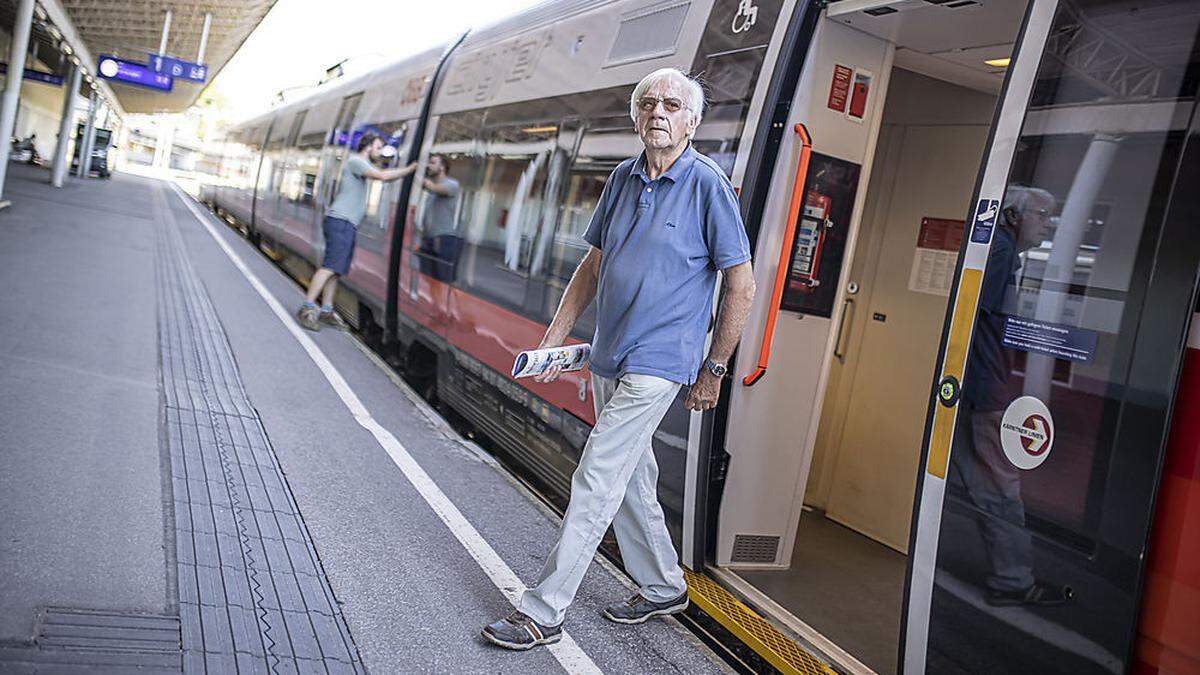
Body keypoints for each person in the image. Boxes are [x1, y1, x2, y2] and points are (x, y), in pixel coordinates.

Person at [482, 67, 757, 650]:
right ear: (636, 116)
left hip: (662, 360)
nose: (659, 112)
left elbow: (741, 285)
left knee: (598, 474)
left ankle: (544, 610)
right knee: (633, 474)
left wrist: (713, 368)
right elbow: (594, 263)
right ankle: (663, 586)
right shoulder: (623, 178)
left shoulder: (707, 184)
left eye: (673, 105)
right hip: (612, 350)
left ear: (692, 121)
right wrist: (556, 337)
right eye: (649, 102)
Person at [955, 185, 1070, 606]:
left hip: (976, 388)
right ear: (1013, 216)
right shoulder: (1001, 253)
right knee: (1002, 488)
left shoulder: (1001, 251)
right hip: (985, 391)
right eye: (1042, 214)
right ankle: (1013, 581)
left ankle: (1009, 576)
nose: (1047, 223)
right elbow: (974, 320)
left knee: (985, 483)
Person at [296, 133, 416, 330]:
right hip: (340, 222)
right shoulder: (356, 161)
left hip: (346, 224)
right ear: (368, 147)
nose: (380, 152)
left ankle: (326, 309)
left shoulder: (361, 164)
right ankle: (307, 308)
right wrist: (410, 169)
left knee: (336, 270)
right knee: (329, 266)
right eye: (378, 147)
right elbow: (383, 176)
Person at [415, 155, 461, 282]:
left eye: (433, 163)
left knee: (442, 279)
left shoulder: (452, 184)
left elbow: (435, 188)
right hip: (428, 239)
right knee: (427, 278)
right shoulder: (431, 188)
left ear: (442, 167)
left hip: (444, 239)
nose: (429, 165)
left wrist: (417, 172)